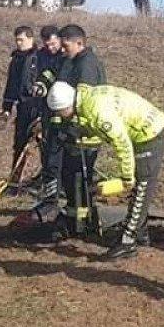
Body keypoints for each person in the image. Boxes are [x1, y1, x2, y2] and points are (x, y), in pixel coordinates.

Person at [47, 81, 164, 261]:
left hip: (150, 132)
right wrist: (83, 132)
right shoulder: (86, 100)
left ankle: (128, 242)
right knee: (139, 187)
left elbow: (122, 144)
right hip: (140, 130)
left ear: (67, 106)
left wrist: (126, 177)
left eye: (60, 113)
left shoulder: (96, 110)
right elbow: (102, 130)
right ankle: (141, 234)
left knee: (141, 187)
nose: (61, 116)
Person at [33, 25, 106, 232]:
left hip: (83, 134)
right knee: (68, 176)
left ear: (79, 43)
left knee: (79, 178)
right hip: (66, 131)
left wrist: (73, 129)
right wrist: (41, 84)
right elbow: (51, 72)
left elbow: (84, 104)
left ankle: (83, 224)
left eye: (65, 46)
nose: (62, 50)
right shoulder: (68, 59)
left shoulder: (87, 66)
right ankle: (74, 218)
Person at [1, 26, 42, 181]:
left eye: (21, 40)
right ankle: (15, 179)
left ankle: (48, 178)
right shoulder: (16, 58)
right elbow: (11, 84)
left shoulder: (39, 57)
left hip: (37, 106)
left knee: (43, 144)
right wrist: (7, 107)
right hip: (22, 106)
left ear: (30, 39)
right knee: (19, 144)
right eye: (17, 40)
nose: (18, 43)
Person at [32, 25, 64, 193]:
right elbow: (46, 74)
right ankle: (50, 183)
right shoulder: (41, 56)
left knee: (60, 150)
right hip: (46, 109)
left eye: (53, 44)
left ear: (59, 39)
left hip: (65, 110)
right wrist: (40, 85)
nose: (51, 48)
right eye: (47, 45)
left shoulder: (67, 56)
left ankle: (61, 185)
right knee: (47, 148)